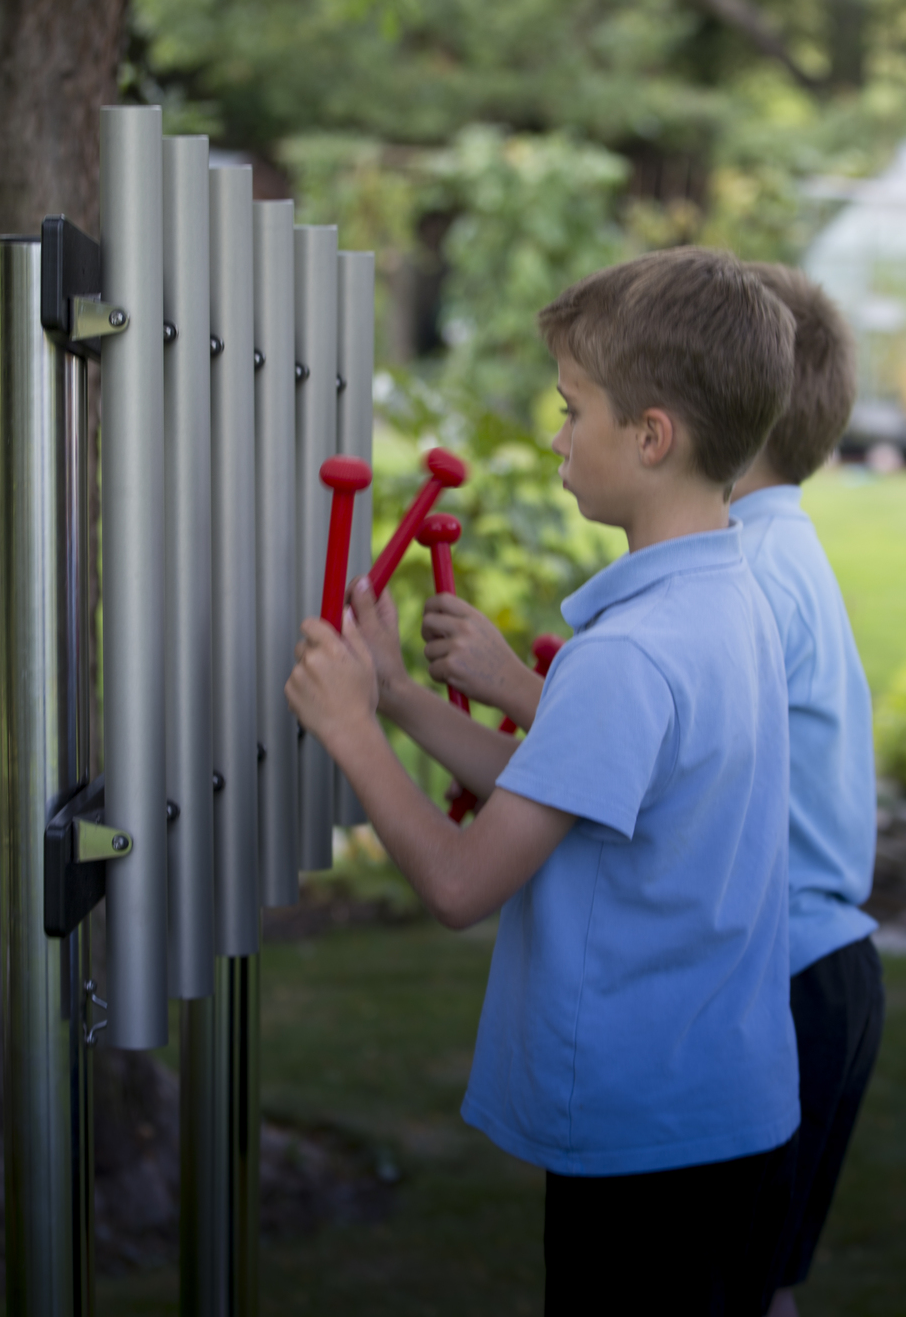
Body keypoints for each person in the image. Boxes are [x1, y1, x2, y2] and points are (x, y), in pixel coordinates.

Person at [286, 247, 800, 1314]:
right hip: (727, 1109)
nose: (559, 435)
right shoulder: (731, 596)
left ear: (650, 435)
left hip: (645, 1144)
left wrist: (352, 736)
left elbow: (464, 883)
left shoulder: (631, 653)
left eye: (573, 411)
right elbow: (569, 783)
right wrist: (397, 696)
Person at [732, 265, 884, 1317]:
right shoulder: (782, 548)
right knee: (755, 1284)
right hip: (823, 972)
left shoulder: (738, 573)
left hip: (784, 988)